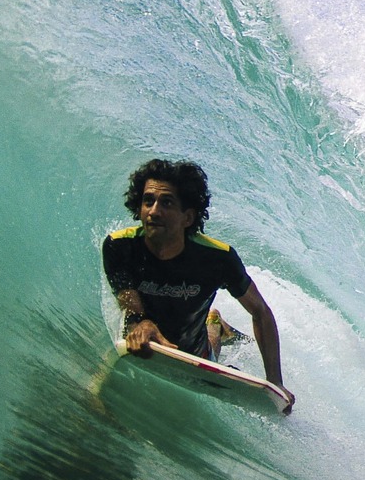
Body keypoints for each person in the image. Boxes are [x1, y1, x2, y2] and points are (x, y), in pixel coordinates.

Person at [103, 159, 286, 396]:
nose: (154, 211)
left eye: (166, 203)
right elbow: (132, 309)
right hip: (148, 337)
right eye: (148, 201)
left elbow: (260, 311)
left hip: (195, 348)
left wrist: (275, 383)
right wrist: (142, 324)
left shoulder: (217, 258)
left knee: (209, 346)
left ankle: (215, 324)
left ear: (188, 217)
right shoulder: (119, 247)